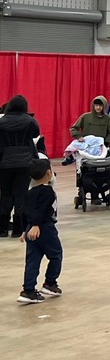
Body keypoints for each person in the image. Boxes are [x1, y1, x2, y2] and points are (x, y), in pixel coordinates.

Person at [17, 159, 62, 304]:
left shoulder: (29, 192)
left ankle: (28, 290)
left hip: (31, 229)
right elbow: (42, 210)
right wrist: (36, 225)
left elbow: (24, 212)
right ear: (49, 173)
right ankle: (50, 283)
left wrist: (26, 229)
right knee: (56, 255)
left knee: (33, 260)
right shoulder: (47, 191)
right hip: (44, 228)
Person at [0, 95, 39, 238]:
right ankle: (18, 228)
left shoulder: (1, 121)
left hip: (4, 163)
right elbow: (36, 134)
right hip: (25, 162)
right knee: (21, 195)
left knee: (6, 194)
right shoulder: (30, 121)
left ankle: (2, 228)